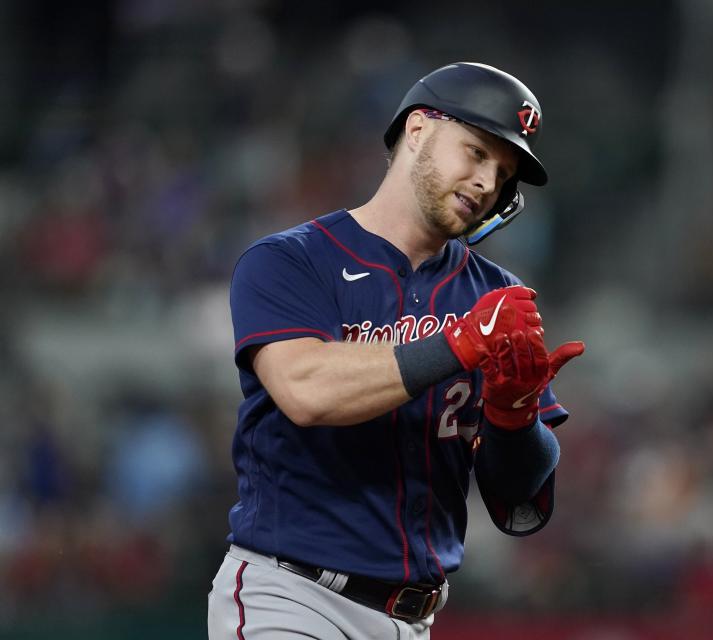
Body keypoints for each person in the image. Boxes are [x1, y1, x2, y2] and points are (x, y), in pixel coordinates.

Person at [207, 61, 584, 640]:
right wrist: (459, 343)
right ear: (418, 130)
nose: (489, 183)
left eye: (505, 173)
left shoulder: (495, 295)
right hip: (293, 597)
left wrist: (516, 416)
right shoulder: (290, 260)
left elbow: (518, 508)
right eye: (478, 152)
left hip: (414, 620)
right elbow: (305, 390)